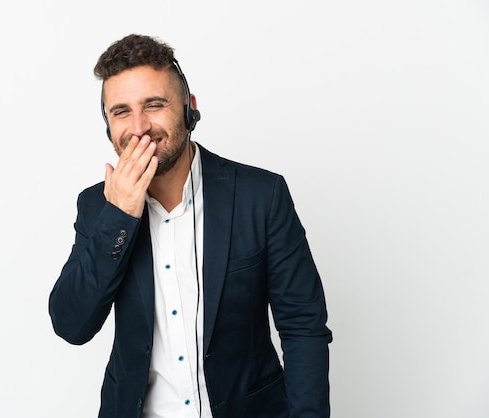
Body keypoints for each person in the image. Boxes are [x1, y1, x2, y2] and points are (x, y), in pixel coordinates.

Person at [49, 34, 332, 418]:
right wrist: (120, 216)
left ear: (189, 108)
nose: (138, 127)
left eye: (154, 104)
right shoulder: (97, 207)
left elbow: (303, 326)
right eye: (121, 111)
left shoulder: (261, 195)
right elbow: (72, 325)